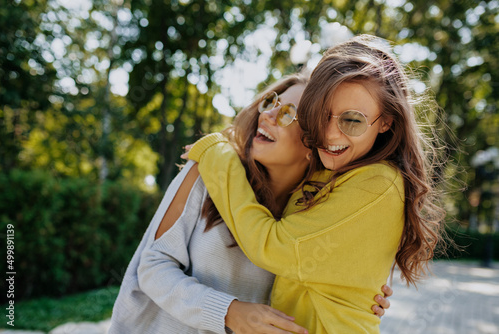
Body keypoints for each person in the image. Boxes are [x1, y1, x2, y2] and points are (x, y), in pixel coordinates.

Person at [187, 34, 446, 333]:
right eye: (321, 115)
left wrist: (217, 155)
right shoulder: (329, 170)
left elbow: (271, 245)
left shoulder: (379, 182)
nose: (330, 135)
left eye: (352, 120)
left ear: (386, 121)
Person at [109, 72, 392, 334]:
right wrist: (228, 312)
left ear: (314, 143)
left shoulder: (317, 216)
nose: (268, 115)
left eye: (287, 114)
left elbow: (333, 287)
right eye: (271, 103)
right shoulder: (208, 172)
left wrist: (361, 296)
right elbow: (152, 265)